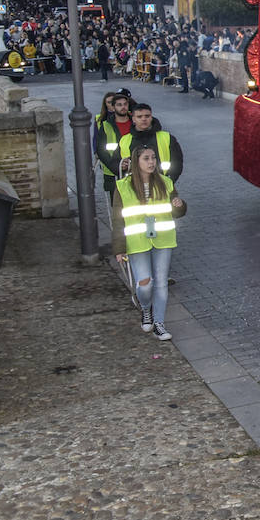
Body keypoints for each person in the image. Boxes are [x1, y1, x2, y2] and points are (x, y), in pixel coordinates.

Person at [112, 143, 185, 340]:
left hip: (163, 239)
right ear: (136, 162)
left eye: (153, 158)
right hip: (136, 241)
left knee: (161, 283)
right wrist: (119, 248)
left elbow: (177, 210)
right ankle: (146, 308)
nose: (151, 162)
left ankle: (159, 323)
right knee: (144, 284)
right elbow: (118, 220)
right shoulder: (122, 187)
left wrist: (179, 205)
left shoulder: (165, 182)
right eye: (146, 158)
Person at [118, 103, 184, 182]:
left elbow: (177, 163)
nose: (144, 119)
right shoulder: (124, 140)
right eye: (139, 117)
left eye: (147, 116)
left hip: (162, 184)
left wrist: (169, 182)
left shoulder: (167, 137)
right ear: (133, 119)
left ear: (151, 117)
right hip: (134, 185)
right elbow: (118, 162)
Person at [94, 92, 133, 198]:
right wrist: (116, 166)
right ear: (113, 107)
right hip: (114, 171)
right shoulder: (106, 126)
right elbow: (101, 150)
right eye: (119, 105)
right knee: (117, 205)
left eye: (125, 104)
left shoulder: (135, 123)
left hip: (135, 170)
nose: (123, 107)